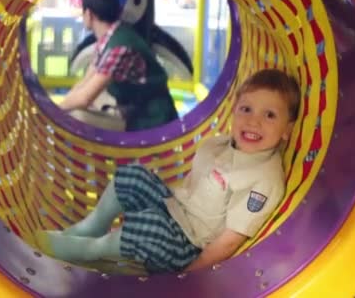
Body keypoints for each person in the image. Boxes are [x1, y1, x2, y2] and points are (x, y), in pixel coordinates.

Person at [37, 69, 301, 274]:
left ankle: (88, 250)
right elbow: (191, 186)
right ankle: (91, 227)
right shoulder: (221, 145)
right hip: (176, 212)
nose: (253, 120)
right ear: (233, 111)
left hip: (189, 246)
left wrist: (187, 277)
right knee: (134, 176)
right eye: (246, 109)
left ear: (287, 130)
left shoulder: (263, 179)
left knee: (149, 227)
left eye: (270, 115)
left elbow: (230, 241)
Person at [59, 0, 178, 131]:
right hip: (132, 108)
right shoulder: (110, 36)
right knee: (78, 103)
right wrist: (64, 103)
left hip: (151, 119)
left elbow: (85, 98)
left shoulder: (119, 47)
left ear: (89, 14)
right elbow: (85, 83)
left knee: (76, 117)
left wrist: (55, 110)